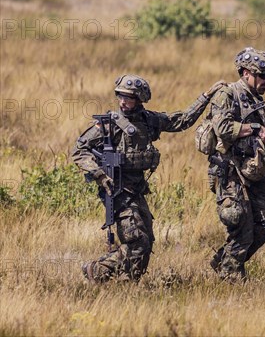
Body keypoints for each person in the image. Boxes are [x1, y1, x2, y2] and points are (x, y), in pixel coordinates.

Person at [72, 74, 224, 283]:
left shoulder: (149, 120)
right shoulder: (109, 124)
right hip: (116, 190)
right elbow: (79, 150)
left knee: (147, 241)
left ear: (140, 99)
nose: (123, 102)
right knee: (137, 242)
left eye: (129, 98)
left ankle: (128, 283)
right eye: (121, 97)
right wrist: (98, 174)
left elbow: (181, 120)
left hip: (137, 190)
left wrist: (206, 96)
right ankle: (96, 271)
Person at [207, 47, 265, 282]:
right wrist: (257, 128)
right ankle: (231, 276)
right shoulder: (227, 95)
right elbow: (224, 129)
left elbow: (263, 145)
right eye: (261, 75)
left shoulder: (258, 102)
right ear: (245, 73)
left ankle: (225, 259)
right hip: (229, 170)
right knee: (240, 222)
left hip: (254, 171)